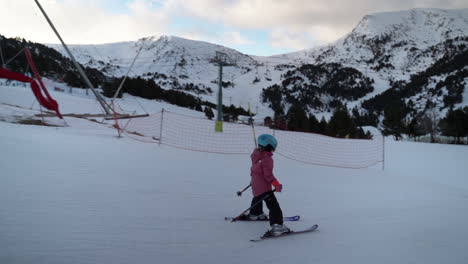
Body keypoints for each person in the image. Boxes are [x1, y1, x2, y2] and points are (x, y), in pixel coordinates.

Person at [248, 134, 290, 236]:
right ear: (269, 147)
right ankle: (277, 226)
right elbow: (268, 175)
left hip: (255, 185)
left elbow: (255, 171)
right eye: (272, 149)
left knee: (257, 198)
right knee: (274, 206)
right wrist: (276, 184)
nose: (272, 152)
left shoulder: (256, 156)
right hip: (264, 188)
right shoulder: (267, 159)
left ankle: (255, 214)